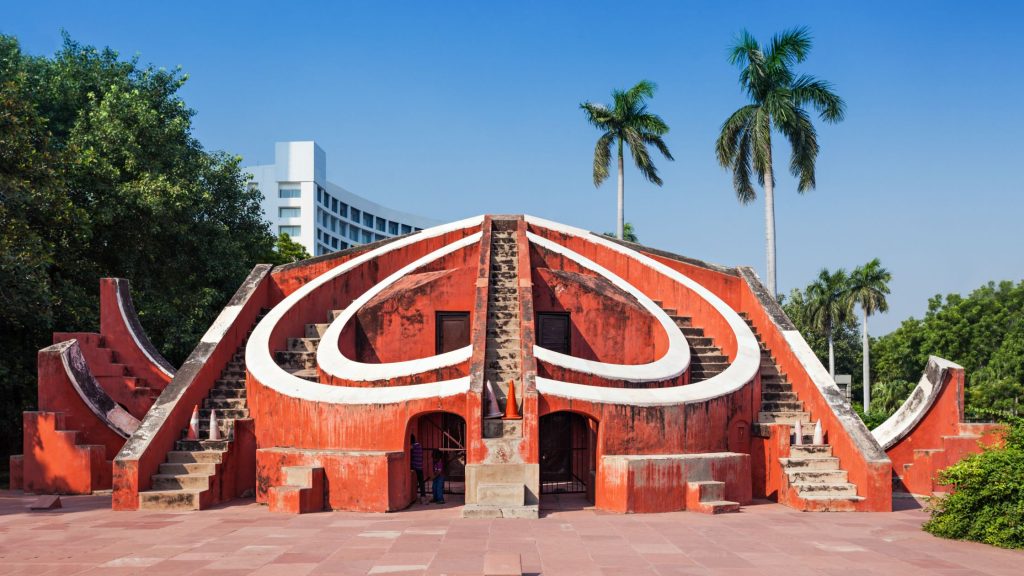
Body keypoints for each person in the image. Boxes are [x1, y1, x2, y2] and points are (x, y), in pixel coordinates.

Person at [410, 435, 425, 501]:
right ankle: (423, 496)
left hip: (415, 466)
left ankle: (415, 495)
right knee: (421, 482)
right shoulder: (419, 445)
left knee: (415, 481)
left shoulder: (413, 446)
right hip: (420, 466)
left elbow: (409, 448)